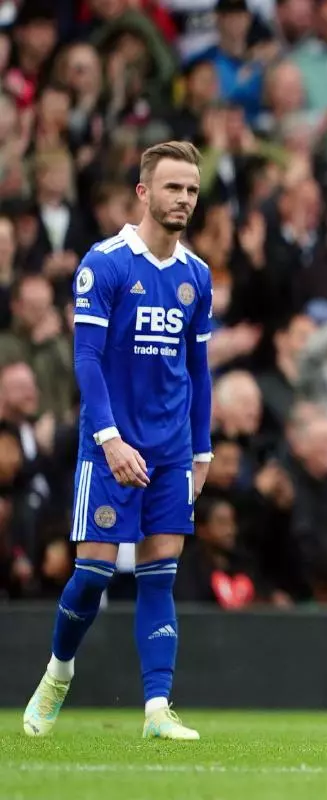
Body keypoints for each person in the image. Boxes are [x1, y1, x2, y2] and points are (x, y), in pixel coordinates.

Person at [22, 141, 213, 741]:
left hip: (171, 450)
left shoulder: (197, 277)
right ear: (143, 192)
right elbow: (87, 359)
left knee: (160, 574)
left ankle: (158, 710)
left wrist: (201, 451)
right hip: (109, 446)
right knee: (95, 575)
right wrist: (108, 440)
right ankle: (59, 672)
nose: (183, 198)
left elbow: (199, 371)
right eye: (173, 187)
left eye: (191, 189)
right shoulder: (103, 264)